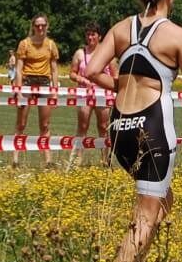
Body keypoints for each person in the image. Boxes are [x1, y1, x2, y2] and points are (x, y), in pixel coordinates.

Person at [82, 0, 182, 262]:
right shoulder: (179, 35)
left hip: (119, 128)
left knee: (164, 200)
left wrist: (123, 85)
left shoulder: (122, 28)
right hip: (152, 126)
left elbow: (93, 70)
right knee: (146, 213)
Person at [13, 16, 60, 167]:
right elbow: (19, 69)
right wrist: (19, 91)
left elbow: (54, 70)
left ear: (47, 26)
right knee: (21, 123)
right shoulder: (25, 44)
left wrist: (55, 92)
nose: (40, 28)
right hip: (27, 82)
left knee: (45, 125)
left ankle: (48, 160)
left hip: (45, 83)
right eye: (37, 25)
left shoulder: (51, 45)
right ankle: (15, 159)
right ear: (33, 26)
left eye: (43, 25)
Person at [69, 23, 113, 164]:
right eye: (88, 34)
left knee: (103, 126)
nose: (90, 37)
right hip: (84, 93)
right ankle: (78, 159)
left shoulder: (108, 53)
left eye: (93, 34)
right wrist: (82, 79)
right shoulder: (80, 53)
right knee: (82, 126)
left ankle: (105, 159)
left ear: (99, 36)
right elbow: (72, 73)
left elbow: (115, 75)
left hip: (103, 94)